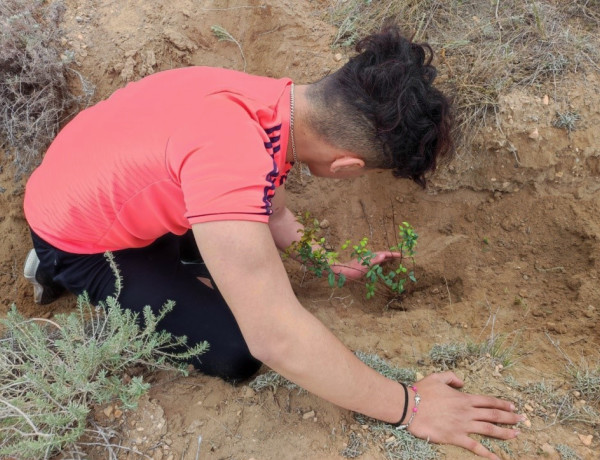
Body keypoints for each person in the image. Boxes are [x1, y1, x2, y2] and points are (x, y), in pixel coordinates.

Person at [23, 26, 522, 460]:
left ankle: (188, 268)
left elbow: (272, 209)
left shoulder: (272, 103)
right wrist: (410, 405)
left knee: (233, 243)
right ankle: (54, 270)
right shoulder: (231, 157)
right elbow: (276, 338)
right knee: (238, 352)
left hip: (98, 182)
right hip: (79, 239)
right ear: (347, 165)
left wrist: (330, 264)